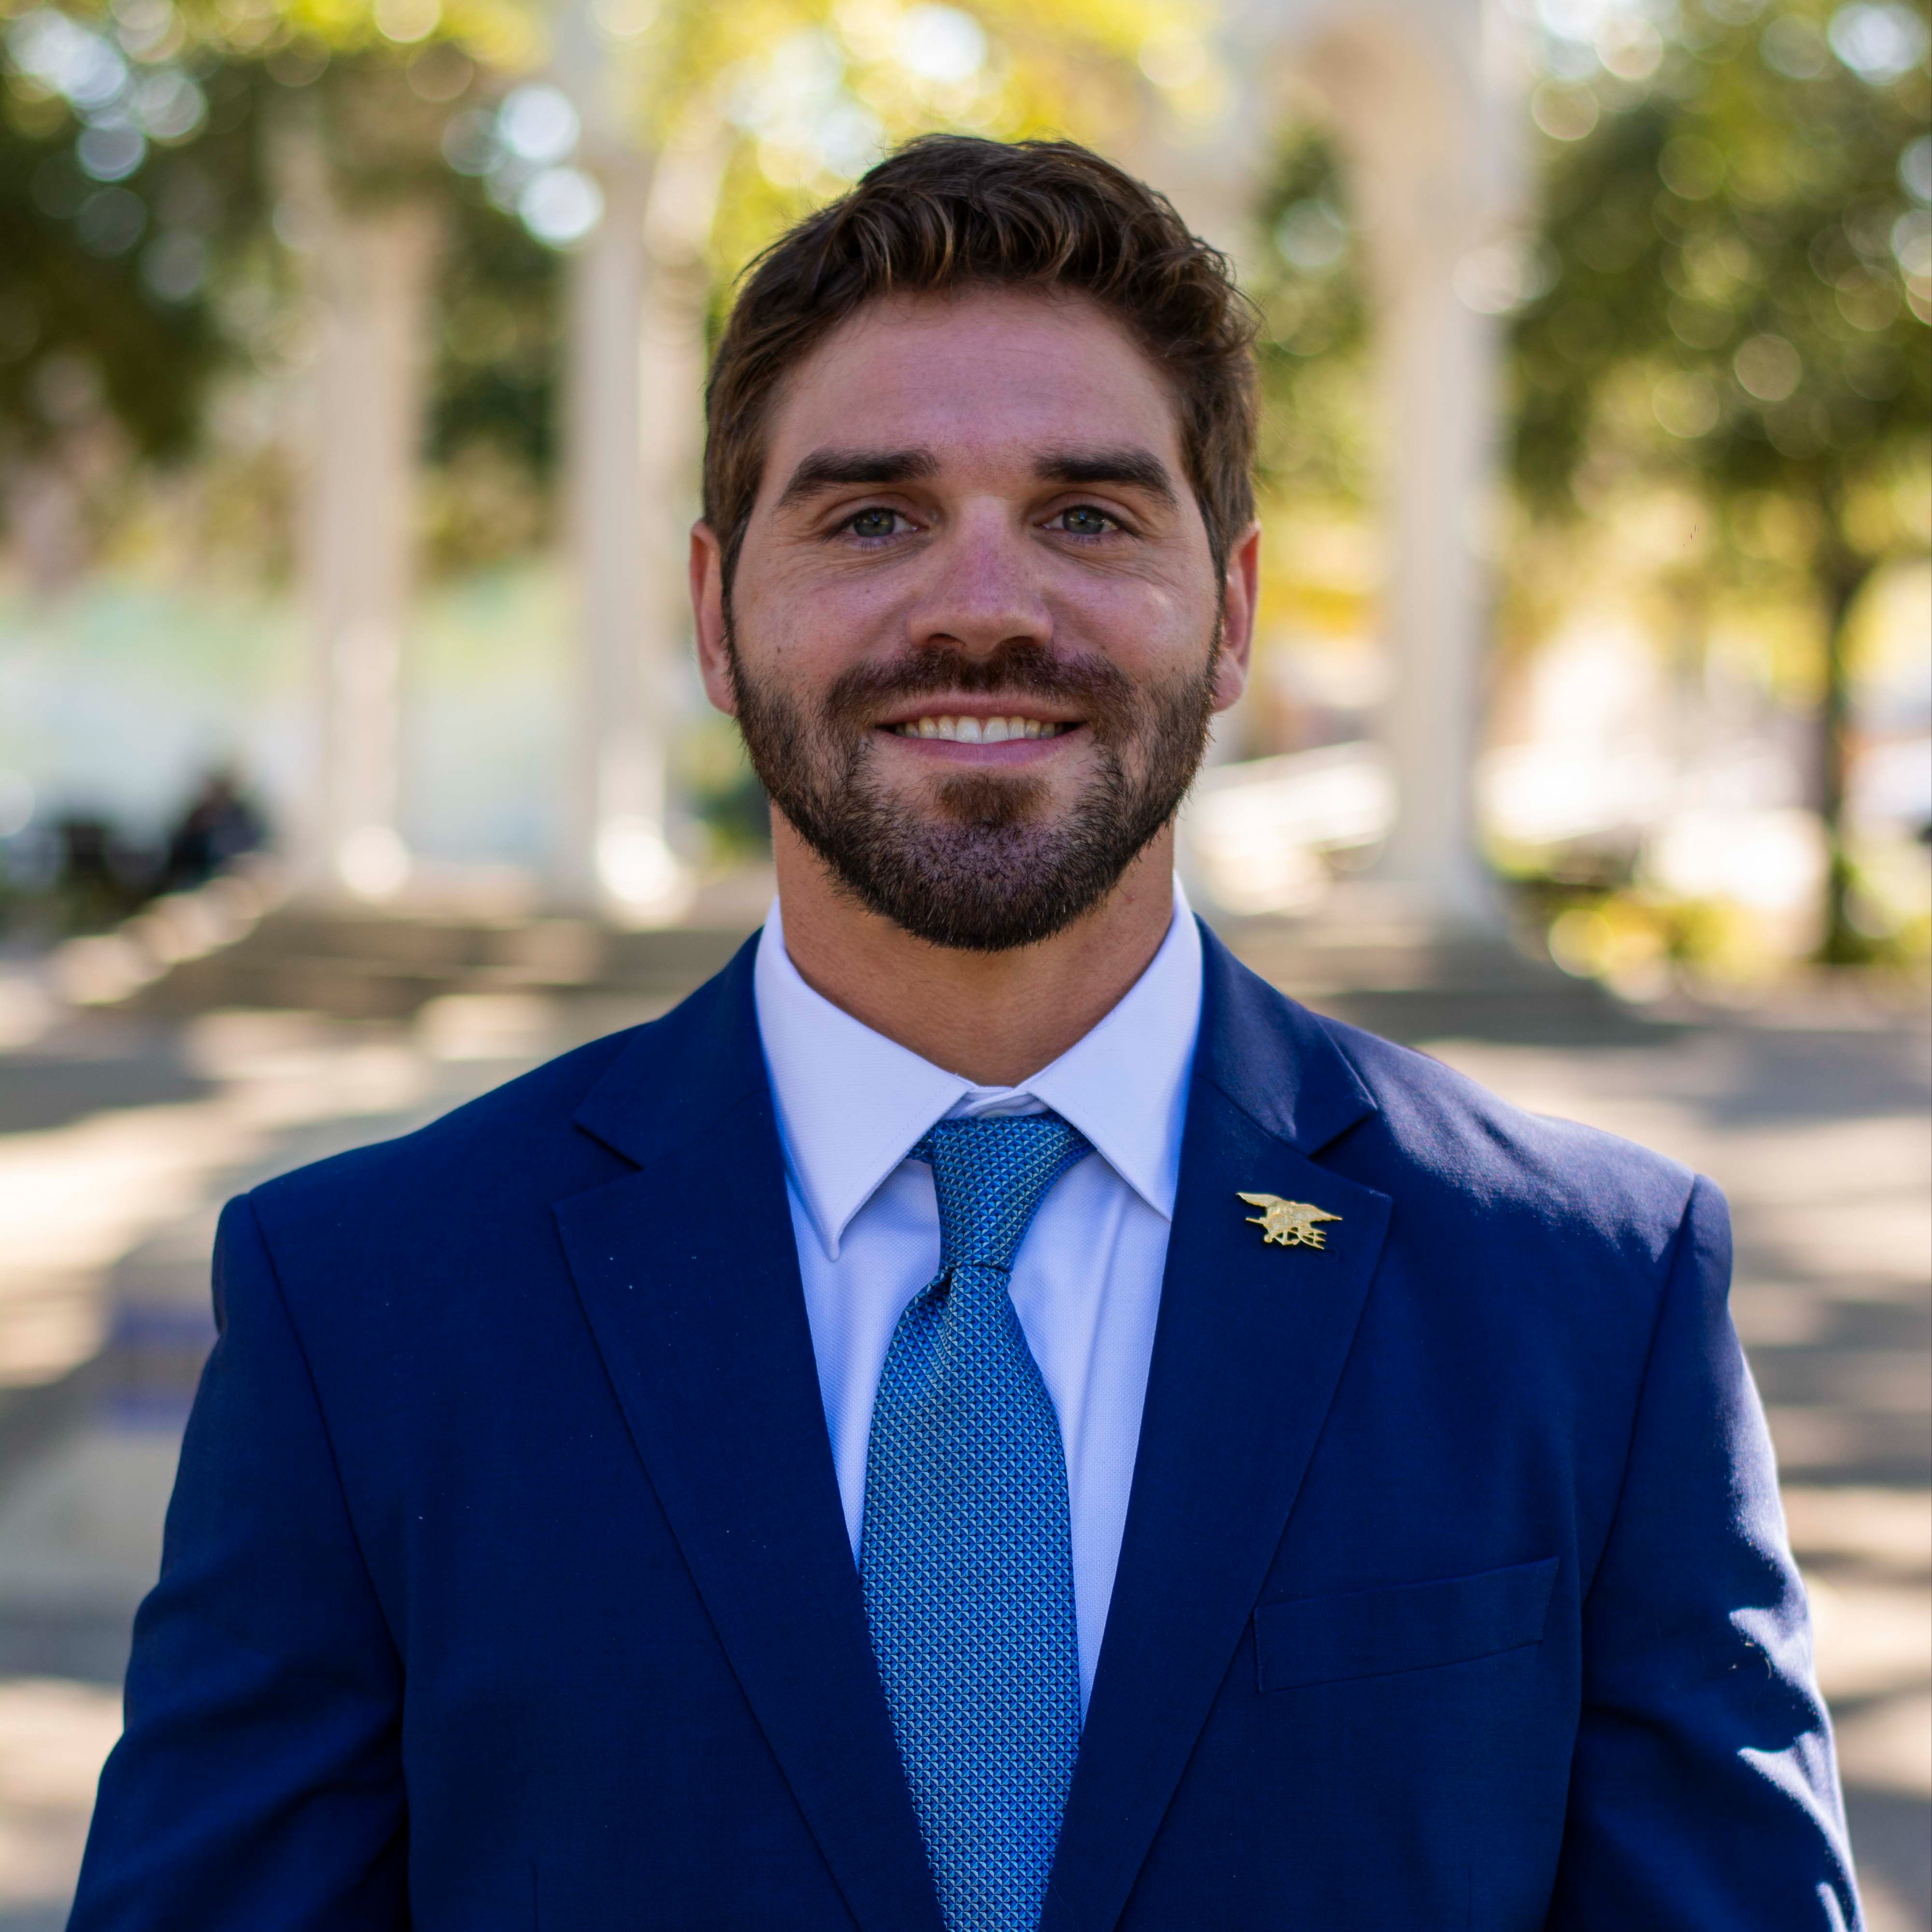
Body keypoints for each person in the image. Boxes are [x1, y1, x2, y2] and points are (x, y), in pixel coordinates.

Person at [71, 137, 1857, 1931]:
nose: (984, 608)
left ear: (1231, 613)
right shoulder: (363, 1307)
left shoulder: (1590, 1296)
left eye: (1088, 516)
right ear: (714, 611)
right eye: (872, 518)